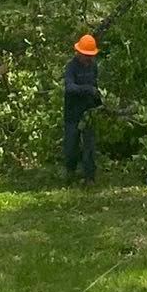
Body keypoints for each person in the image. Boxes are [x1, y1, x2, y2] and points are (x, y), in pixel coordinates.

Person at [62, 32, 102, 184]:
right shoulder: (71, 67)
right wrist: (87, 89)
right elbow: (69, 88)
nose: (88, 59)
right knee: (71, 146)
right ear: (79, 53)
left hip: (88, 112)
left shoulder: (94, 67)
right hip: (72, 113)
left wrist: (99, 102)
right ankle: (70, 173)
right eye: (86, 56)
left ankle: (89, 177)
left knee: (89, 146)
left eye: (90, 56)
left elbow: (95, 85)